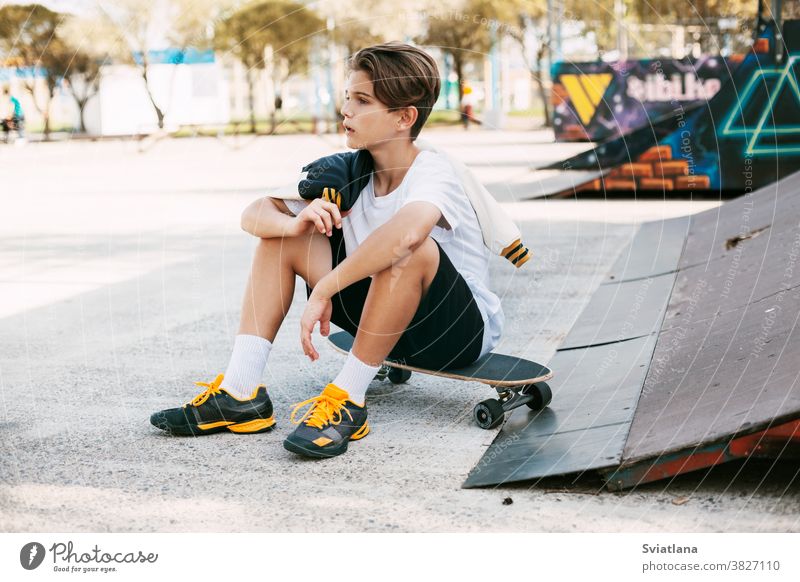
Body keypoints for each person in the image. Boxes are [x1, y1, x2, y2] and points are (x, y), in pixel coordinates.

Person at [150, 43, 505, 459]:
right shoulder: (350, 170)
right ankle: (240, 392)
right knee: (283, 237)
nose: (346, 111)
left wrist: (325, 289)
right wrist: (294, 222)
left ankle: (348, 399)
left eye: (362, 100)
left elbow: (407, 236)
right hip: (380, 315)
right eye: (347, 99)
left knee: (412, 250)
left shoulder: (434, 171)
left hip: (453, 332)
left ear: (404, 117)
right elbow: (254, 213)